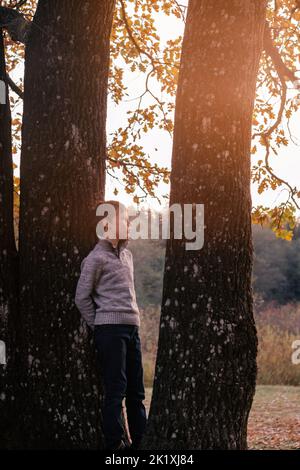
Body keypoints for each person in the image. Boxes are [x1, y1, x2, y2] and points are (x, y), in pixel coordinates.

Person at [75, 200, 147, 451]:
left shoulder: (127, 255)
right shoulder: (95, 259)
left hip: (131, 328)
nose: (127, 224)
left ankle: (141, 442)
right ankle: (114, 445)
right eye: (123, 219)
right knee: (116, 390)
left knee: (137, 392)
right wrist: (99, 325)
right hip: (110, 331)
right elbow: (81, 297)